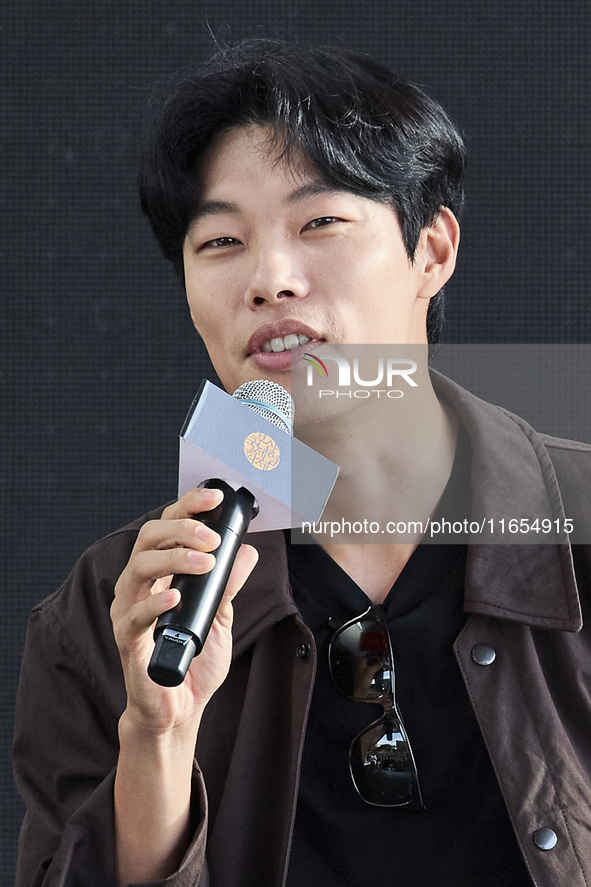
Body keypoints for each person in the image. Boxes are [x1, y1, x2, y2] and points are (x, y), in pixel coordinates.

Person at [13, 38, 591, 887]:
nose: (269, 278)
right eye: (219, 243)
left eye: (319, 222)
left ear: (430, 251)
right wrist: (157, 737)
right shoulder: (109, 614)